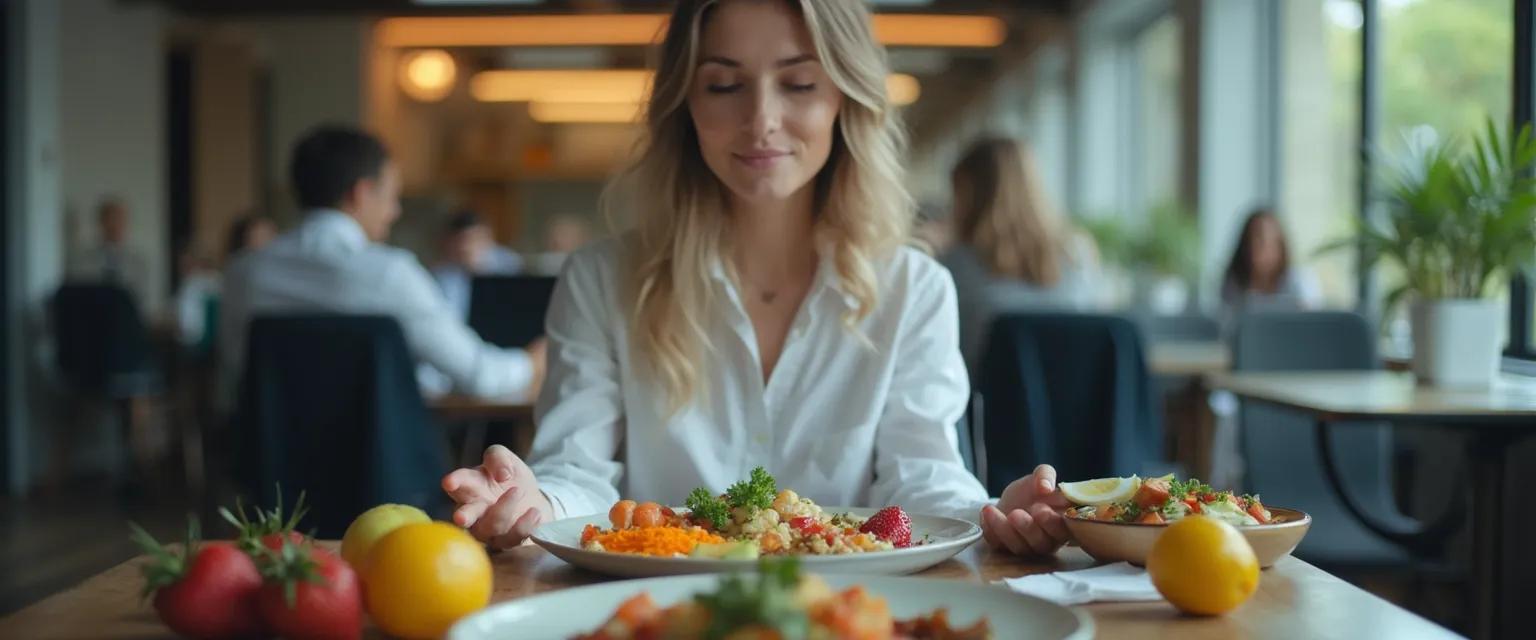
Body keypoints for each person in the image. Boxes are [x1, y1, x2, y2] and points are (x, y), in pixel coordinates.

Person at [438, 0, 1072, 557]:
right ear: (684, 103)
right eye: (722, 86)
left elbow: (923, 484)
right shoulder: (600, 280)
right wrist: (534, 501)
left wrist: (991, 513)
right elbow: (576, 470)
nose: (761, 119)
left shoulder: (915, 289)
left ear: (845, 98)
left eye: (798, 83)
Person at [220, 125, 546, 403]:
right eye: (392, 197)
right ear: (361, 193)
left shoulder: (243, 272)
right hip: (384, 470)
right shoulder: (389, 273)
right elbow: (480, 375)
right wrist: (533, 362)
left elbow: (238, 373)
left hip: (269, 467)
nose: (395, 212)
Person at [940, 137, 1103, 374]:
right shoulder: (1079, 255)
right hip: (1079, 408)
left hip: (992, 406)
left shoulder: (955, 265)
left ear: (968, 194)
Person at [173, 214, 277, 350]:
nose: (272, 242)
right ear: (243, 241)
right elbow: (189, 330)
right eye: (262, 236)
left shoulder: (279, 275)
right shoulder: (211, 280)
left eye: (272, 235)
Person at [1219, 207, 1322, 319]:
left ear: (1280, 244)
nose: (1257, 248)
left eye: (1268, 241)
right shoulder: (1233, 282)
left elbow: (1312, 324)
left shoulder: (1300, 282)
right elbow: (1226, 324)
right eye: (1253, 241)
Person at [431, 210, 524, 321]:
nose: (467, 248)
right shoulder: (440, 274)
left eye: (474, 239)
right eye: (461, 241)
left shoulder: (509, 264)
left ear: (489, 238)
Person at [68, 198, 151, 306]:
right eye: (110, 219)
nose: (114, 225)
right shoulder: (81, 260)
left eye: (119, 220)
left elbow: (143, 299)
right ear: (101, 223)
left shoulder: (138, 262)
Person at [527, 214, 592, 276]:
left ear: (580, 238)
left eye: (564, 234)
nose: (556, 239)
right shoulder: (537, 265)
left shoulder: (587, 266)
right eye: (552, 235)